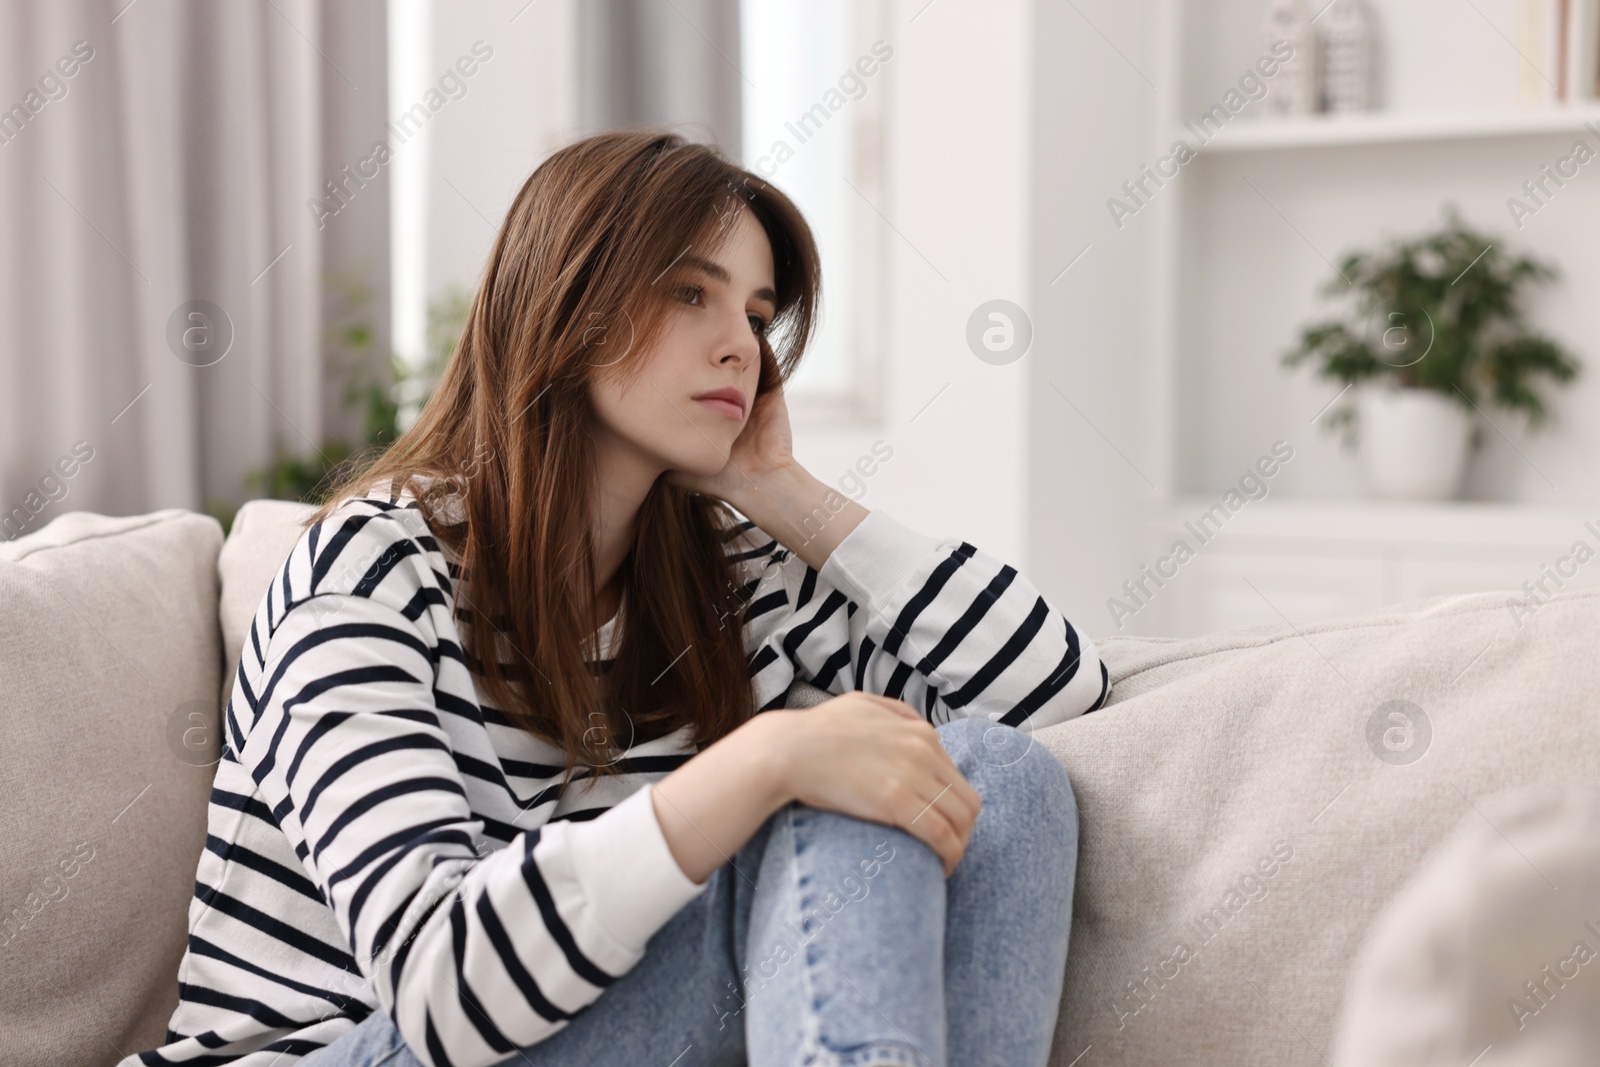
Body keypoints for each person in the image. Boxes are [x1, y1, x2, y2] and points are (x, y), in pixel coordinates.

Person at [124, 129, 1111, 1067]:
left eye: (759, 317)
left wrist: (778, 488)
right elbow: (438, 984)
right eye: (692, 292)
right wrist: (770, 758)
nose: (741, 348)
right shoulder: (370, 567)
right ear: (569, 304)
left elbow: (1049, 692)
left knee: (998, 772)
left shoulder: (740, 580)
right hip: (353, 1046)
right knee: (812, 786)